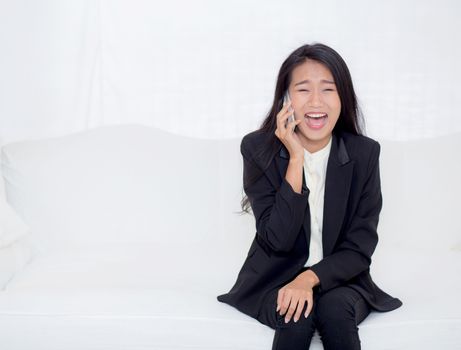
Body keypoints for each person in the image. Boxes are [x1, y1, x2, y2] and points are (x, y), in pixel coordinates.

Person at [217, 43, 402, 350]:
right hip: (274, 278)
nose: (316, 101)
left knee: (334, 308)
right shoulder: (257, 150)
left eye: (328, 89)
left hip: (342, 281)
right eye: (303, 90)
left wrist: (308, 279)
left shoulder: (365, 154)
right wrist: (295, 159)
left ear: (343, 97)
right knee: (296, 314)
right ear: (286, 99)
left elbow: (359, 248)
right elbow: (277, 239)